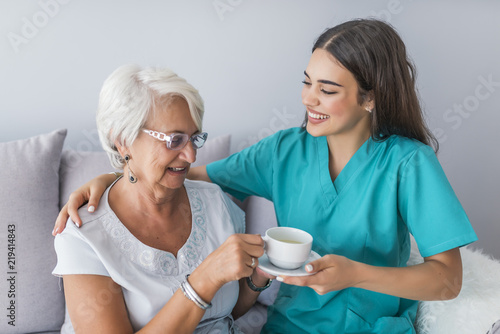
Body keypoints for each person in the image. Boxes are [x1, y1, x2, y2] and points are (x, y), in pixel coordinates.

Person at [53, 19, 477, 334]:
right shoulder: (284, 152)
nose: (308, 99)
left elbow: (447, 280)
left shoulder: (409, 163)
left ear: (370, 97)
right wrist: (110, 179)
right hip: (289, 328)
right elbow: (182, 170)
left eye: (327, 90)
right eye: (307, 82)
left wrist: (355, 274)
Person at [52, 64, 273, 333]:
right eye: (174, 140)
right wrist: (204, 279)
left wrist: (258, 277)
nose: (191, 156)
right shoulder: (83, 235)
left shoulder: (216, 202)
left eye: (194, 138)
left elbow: (224, 313)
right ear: (123, 140)